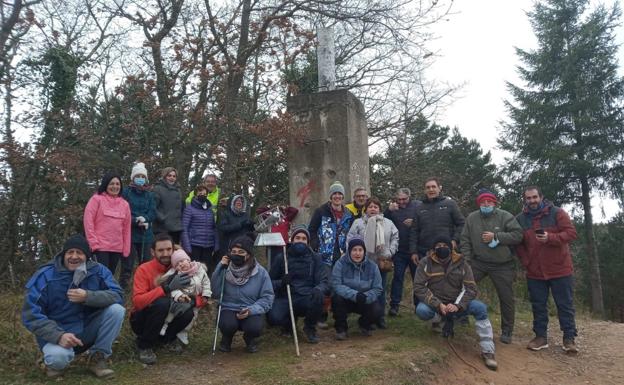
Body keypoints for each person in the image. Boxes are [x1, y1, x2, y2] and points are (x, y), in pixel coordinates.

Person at [22, 234, 125, 378]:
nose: (74, 256)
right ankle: (53, 362)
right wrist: (59, 335)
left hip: (87, 329)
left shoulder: (98, 270)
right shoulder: (45, 275)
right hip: (57, 334)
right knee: (57, 359)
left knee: (117, 310)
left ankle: (97, 358)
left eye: (79, 253)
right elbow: (30, 315)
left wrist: (88, 296)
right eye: (70, 252)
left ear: (87, 256)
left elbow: (118, 295)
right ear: (64, 254)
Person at [413, 235, 498, 370]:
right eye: (438, 246)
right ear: (434, 249)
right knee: (421, 310)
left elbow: (471, 288)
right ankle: (439, 319)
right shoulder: (425, 262)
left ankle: (488, 350)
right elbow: (419, 287)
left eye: (445, 246)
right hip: (437, 304)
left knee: (480, 308)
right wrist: (438, 304)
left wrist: (458, 305)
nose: (442, 248)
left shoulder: (462, 263)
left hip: (458, 303)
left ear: (451, 247)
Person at [515, 186, 579, 353]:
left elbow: (571, 233)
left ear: (541, 197)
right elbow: (518, 244)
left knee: (565, 305)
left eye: (535, 197)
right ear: (525, 200)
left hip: (560, 268)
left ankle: (569, 339)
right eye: (528, 198)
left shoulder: (557, 213)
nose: (532, 201)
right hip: (535, 271)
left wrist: (551, 238)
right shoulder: (520, 219)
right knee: (538, 305)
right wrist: (526, 261)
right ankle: (540, 337)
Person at [460, 188, 523, 344]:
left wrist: (497, 236)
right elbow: (465, 239)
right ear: (479, 203)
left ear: (494, 203)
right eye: (483, 201)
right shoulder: (471, 218)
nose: (486, 203)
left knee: (506, 297)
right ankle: (460, 317)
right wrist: (466, 261)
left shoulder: (505, 216)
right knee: (462, 287)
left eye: (489, 201)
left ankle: (507, 331)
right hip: (478, 262)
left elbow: (518, 235)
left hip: (502, 265)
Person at [130, 233, 195, 365]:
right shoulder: (144, 269)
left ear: (174, 249)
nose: (165, 254)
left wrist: (192, 300)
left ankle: (166, 339)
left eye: (168, 249)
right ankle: (145, 345)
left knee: (189, 309)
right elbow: (138, 302)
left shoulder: (181, 266)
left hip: (169, 315)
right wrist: (165, 289)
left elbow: (198, 290)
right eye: (160, 250)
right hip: (142, 319)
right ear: (153, 252)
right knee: (162, 303)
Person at [211, 236, 274, 353]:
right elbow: (215, 292)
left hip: (250, 308)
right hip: (228, 307)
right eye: (233, 252)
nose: (236, 254)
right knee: (227, 324)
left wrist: (251, 310)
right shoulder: (224, 269)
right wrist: (220, 267)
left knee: (254, 327)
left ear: (248, 255)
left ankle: (250, 339)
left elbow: (267, 297)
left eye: (241, 252)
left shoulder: (261, 272)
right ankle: (226, 338)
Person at [267, 225, 329, 344]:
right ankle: (288, 325)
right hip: (286, 296)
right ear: (292, 240)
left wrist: (318, 289)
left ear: (308, 242)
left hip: (306, 296)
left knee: (318, 297)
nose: (300, 241)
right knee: (274, 317)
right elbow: (268, 283)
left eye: (304, 239)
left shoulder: (315, 258)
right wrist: (281, 282)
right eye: (298, 238)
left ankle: (309, 327)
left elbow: (323, 281)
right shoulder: (282, 258)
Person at [347, 197, 398, 329]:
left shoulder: (388, 223)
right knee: (366, 290)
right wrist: (355, 256)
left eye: (376, 206)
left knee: (380, 289)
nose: (373, 209)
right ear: (366, 209)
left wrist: (390, 252)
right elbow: (350, 238)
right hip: (363, 263)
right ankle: (368, 317)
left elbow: (395, 238)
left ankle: (379, 317)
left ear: (379, 209)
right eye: (370, 206)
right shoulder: (358, 223)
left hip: (381, 262)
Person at [308, 181, 354, 327]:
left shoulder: (349, 214)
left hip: (342, 255)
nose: (337, 196)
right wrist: (316, 246)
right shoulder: (321, 211)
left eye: (340, 193)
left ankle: (338, 315)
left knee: (338, 285)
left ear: (343, 196)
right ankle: (322, 316)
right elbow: (312, 230)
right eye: (335, 193)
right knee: (326, 285)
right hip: (324, 255)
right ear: (330, 196)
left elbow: (352, 233)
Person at [331, 237, 383, 340]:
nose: (357, 253)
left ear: (364, 252)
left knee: (377, 309)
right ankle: (341, 329)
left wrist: (366, 296)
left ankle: (364, 324)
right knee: (336, 298)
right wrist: (355, 295)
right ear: (349, 251)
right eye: (354, 250)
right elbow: (336, 285)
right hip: (346, 299)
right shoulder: (340, 264)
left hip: (364, 299)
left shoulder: (373, 266)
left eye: (360, 250)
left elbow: (378, 288)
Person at [158, 249, 211, 345]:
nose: (181, 264)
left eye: (182, 261)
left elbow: (206, 282)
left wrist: (206, 294)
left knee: (193, 316)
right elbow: (173, 288)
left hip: (196, 297)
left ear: (188, 260)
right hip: (181, 298)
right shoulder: (178, 275)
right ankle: (165, 325)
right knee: (172, 311)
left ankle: (183, 332)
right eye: (178, 264)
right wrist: (179, 296)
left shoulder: (199, 269)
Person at [83, 172, 132, 277]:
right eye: (111, 184)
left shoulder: (125, 204)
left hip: (117, 248)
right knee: (99, 276)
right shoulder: (96, 199)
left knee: (109, 276)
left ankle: (108, 294)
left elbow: (127, 228)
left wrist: (126, 248)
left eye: (117, 184)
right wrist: (93, 243)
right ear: (106, 185)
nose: (115, 186)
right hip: (100, 248)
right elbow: (88, 222)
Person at [409, 177, 465, 264]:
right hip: (425, 252)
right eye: (428, 187)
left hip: (446, 250)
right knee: (426, 277)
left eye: (433, 186)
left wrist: (455, 240)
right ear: (424, 190)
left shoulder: (450, 204)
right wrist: (413, 252)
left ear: (439, 188)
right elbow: (414, 231)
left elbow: (461, 224)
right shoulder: (419, 208)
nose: (431, 189)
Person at [385, 187, 421, 316]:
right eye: (399, 199)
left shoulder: (418, 206)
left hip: (414, 250)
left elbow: (426, 222)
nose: (401, 202)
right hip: (399, 251)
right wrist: (389, 211)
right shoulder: (394, 208)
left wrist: (415, 222)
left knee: (417, 279)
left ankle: (419, 306)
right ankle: (394, 306)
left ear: (409, 197)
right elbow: (384, 221)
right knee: (398, 278)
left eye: (404, 199)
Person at [121, 162, 156, 289]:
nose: (140, 178)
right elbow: (122, 211)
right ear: (133, 178)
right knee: (127, 264)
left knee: (146, 263)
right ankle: (124, 289)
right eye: (138, 176)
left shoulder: (150, 195)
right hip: (129, 233)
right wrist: (135, 220)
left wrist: (146, 219)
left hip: (146, 234)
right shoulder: (126, 192)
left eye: (142, 176)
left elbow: (153, 212)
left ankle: (145, 288)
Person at [182, 184, 219, 274]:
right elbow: (184, 228)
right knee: (193, 271)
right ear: (195, 195)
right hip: (194, 245)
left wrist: (216, 244)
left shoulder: (209, 210)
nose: (203, 195)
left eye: (205, 193)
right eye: (200, 192)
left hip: (208, 246)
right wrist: (187, 247)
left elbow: (214, 228)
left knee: (206, 271)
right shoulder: (189, 209)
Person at [153, 167, 183, 244]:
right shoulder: (157, 189)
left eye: (174, 176)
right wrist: (162, 218)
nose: (172, 178)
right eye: (169, 175)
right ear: (164, 176)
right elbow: (153, 207)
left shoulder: (178, 190)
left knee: (175, 253)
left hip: (176, 228)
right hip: (162, 229)